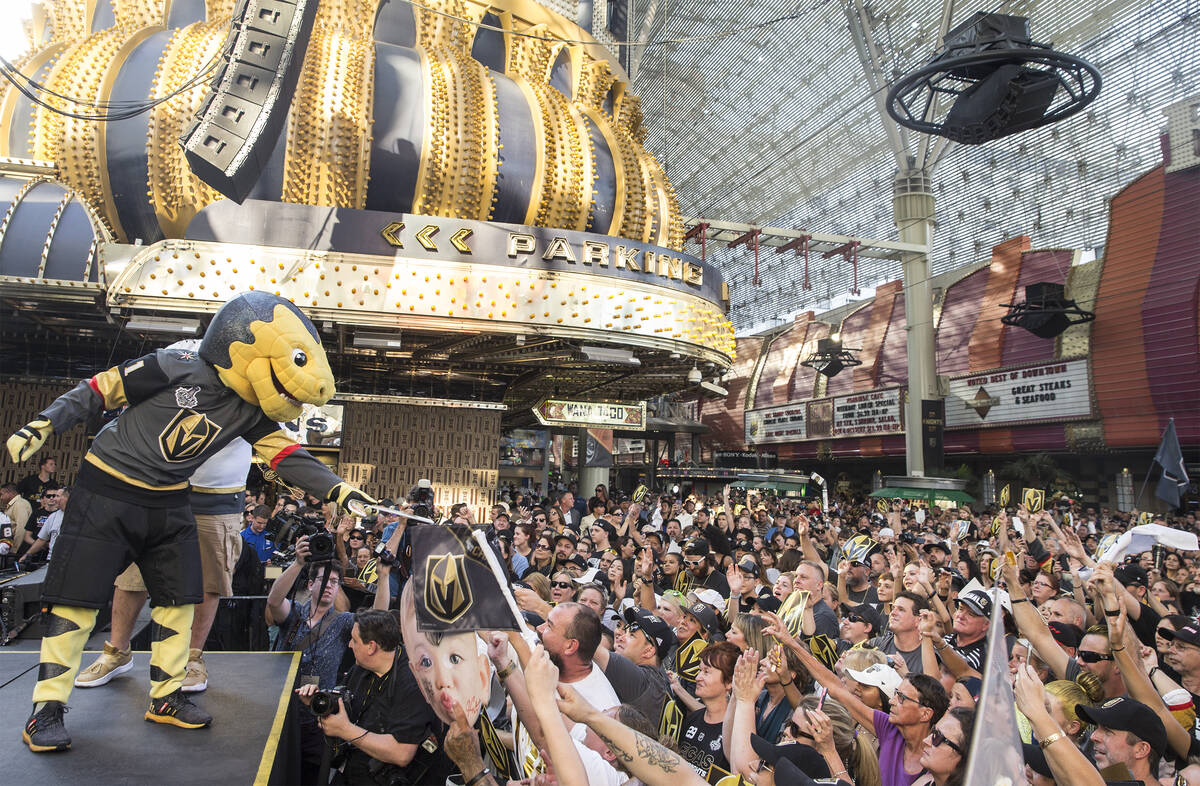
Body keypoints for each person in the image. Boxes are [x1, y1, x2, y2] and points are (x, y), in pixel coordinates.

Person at [76, 436, 253, 694]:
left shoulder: (256, 397)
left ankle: (192, 659)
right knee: (132, 575)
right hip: (155, 484)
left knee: (209, 580)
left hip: (219, 495)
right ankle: (117, 651)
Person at [296, 610, 453, 785]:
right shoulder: (360, 669)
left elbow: (401, 753)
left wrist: (345, 730)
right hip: (352, 768)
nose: (349, 645)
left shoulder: (412, 683)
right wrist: (320, 701)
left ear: (371, 647)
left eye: (354, 640)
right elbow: (343, 702)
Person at [268, 538, 358, 784]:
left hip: (317, 721)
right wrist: (298, 562)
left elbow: (374, 623)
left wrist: (383, 577)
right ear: (310, 584)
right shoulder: (294, 613)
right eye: (324, 580)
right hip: (282, 717)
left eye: (334, 582)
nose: (329, 586)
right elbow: (274, 601)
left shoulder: (342, 622)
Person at [592, 607, 673, 724]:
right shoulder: (658, 678)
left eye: (631, 635)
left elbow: (587, 644)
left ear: (649, 651)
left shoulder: (640, 679)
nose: (621, 637)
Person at [677, 641, 737, 777]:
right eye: (700, 670)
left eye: (706, 672)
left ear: (729, 682)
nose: (698, 677)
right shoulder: (693, 719)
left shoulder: (736, 732)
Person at [913, 706, 975, 786]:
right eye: (933, 731)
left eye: (938, 737)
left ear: (964, 755)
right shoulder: (924, 782)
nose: (926, 741)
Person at [18, 486, 67, 567]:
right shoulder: (52, 517)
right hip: (51, 560)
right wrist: (27, 555)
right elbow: (41, 540)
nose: (53, 499)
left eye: (57, 496)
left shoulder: (79, 517)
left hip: (68, 561)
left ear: (67, 498)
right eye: (49, 496)